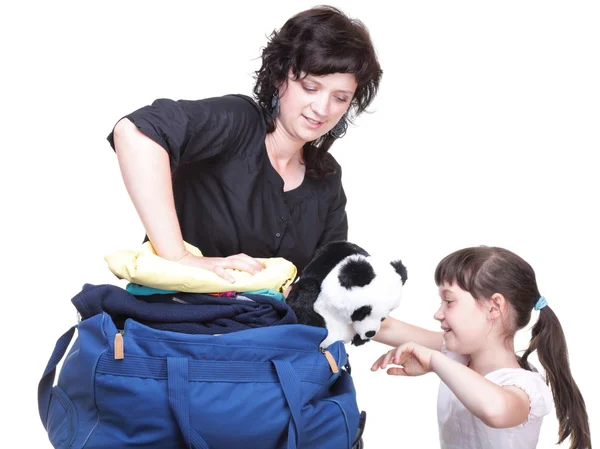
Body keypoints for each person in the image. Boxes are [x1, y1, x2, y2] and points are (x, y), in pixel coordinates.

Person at [107, 5, 382, 283]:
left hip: (268, 326)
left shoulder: (326, 179)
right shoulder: (238, 123)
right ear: (279, 77)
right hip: (175, 318)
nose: (323, 108)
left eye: (340, 98)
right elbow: (135, 132)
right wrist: (179, 258)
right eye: (310, 88)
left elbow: (333, 288)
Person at [371, 246, 591, 449]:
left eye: (449, 302)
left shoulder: (523, 386)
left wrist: (435, 361)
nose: (438, 314)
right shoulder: (456, 354)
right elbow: (387, 328)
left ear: (494, 307)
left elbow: (495, 410)